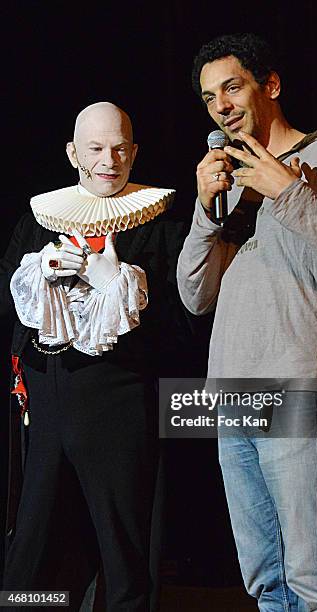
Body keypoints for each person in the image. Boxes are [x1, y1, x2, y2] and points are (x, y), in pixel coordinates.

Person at [177, 33, 317, 611]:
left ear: (269, 85)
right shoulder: (228, 184)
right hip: (231, 398)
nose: (220, 105)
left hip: (303, 389)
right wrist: (204, 211)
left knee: (313, 572)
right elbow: (195, 297)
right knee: (265, 580)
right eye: (208, 97)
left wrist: (289, 191)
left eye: (232, 86)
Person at [1, 101, 188, 611]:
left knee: (123, 543)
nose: (110, 160)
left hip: (119, 400)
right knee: (36, 539)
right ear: (72, 153)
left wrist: (119, 287)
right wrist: (40, 276)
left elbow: (184, 318)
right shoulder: (39, 218)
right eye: (96, 149)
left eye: (120, 147)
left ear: (134, 150)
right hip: (48, 398)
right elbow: (7, 307)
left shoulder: (161, 222)